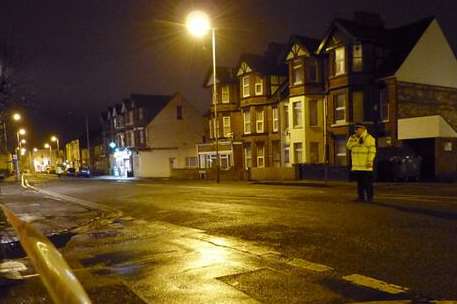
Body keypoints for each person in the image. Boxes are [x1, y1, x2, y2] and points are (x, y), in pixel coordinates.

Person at [346, 123, 377, 202]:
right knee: (360, 183)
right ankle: (361, 197)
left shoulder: (369, 138)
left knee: (367, 183)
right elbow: (348, 146)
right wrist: (357, 142)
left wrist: (370, 161)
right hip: (357, 166)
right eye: (355, 129)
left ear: (363, 129)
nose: (356, 131)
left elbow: (372, 151)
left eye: (357, 129)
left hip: (366, 165)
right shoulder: (352, 137)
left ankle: (370, 198)